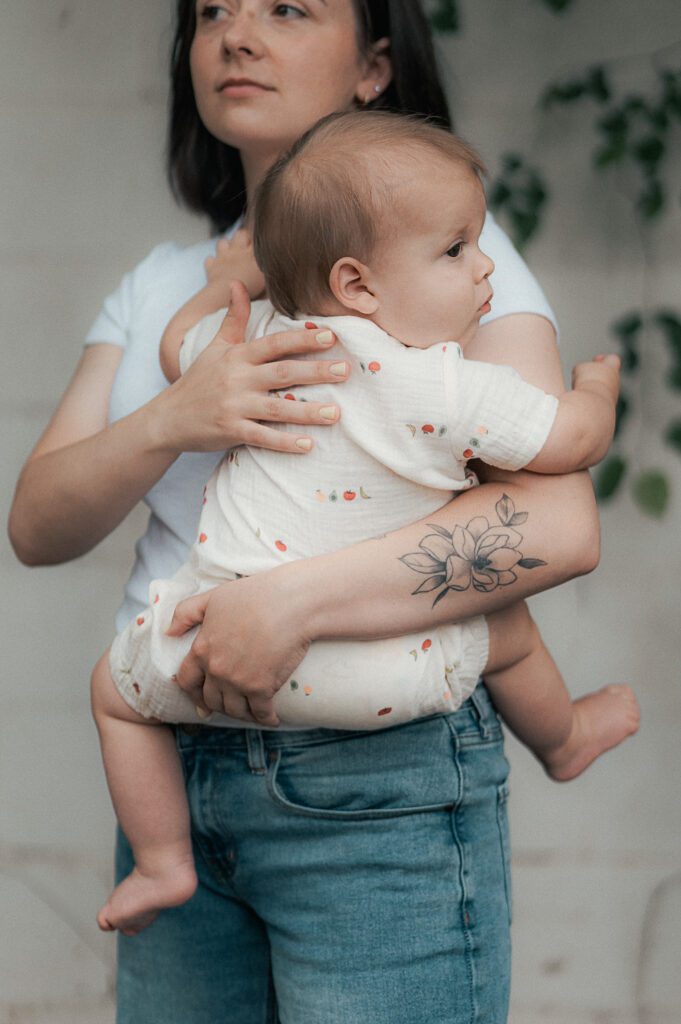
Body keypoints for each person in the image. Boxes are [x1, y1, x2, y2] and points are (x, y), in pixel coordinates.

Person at [8, 2, 619, 1021]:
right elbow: (36, 524)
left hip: (377, 781)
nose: (236, 34)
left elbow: (557, 526)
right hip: (177, 764)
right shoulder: (167, 286)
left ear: (375, 65)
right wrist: (173, 420)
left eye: (287, 7)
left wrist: (285, 606)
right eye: (213, 12)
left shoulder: (449, 257)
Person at [91, 110, 639, 937]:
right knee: (505, 629)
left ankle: (164, 862)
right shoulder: (437, 384)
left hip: (204, 655)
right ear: (357, 284)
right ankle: (563, 739)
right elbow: (570, 441)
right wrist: (595, 387)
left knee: (112, 694)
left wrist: (224, 284)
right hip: (379, 685)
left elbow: (176, 349)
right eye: (457, 251)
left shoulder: (265, 349)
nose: (485, 265)